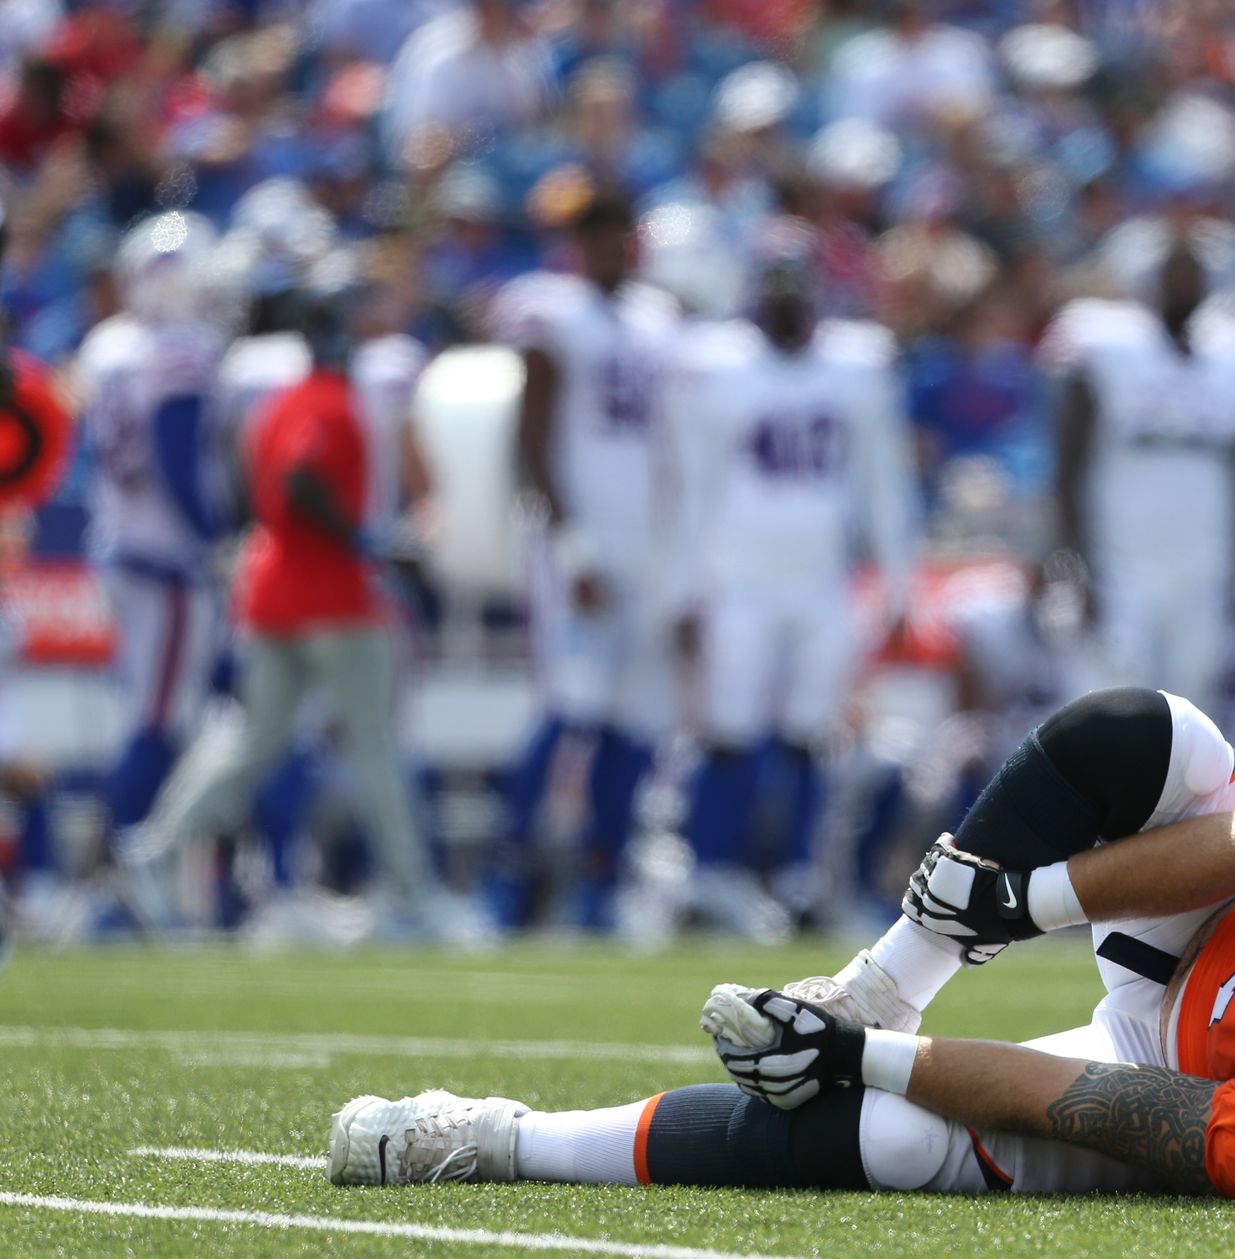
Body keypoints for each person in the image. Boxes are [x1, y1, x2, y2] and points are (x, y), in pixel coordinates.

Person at [327, 687, 1235, 1210]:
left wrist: (872, 1066)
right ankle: (886, 968)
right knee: (1155, 736)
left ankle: (499, 1137)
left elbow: (1089, 1097)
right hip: (1222, 905)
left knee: (893, 1143)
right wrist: (1022, 906)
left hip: (1165, 1047)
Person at [120, 273, 467, 938]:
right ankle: (410, 889)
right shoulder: (329, 403)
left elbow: (258, 487)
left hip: (272, 590)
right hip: (333, 593)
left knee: (253, 740)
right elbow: (303, 477)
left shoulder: (275, 403)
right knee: (376, 744)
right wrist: (362, 538)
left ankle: (157, 849)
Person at [674, 223, 915, 928]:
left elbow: (883, 481)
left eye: (796, 290)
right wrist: (689, 584)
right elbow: (694, 486)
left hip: (820, 578)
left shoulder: (856, 364)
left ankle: (801, 877)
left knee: (813, 729)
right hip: (737, 576)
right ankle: (709, 873)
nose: (785, 304)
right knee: (729, 727)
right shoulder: (717, 364)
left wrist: (898, 581)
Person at [482, 190, 685, 935]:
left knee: (635, 717)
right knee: (571, 706)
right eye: (595, 234)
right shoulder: (551, 310)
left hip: (646, 542)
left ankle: (604, 878)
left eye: (619, 233)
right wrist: (571, 545)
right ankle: (509, 876)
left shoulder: (657, 318)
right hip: (579, 541)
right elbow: (531, 435)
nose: (610, 248)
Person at [1045, 234, 1235, 714]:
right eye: (1172, 272)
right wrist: (1073, 563)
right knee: (1113, 706)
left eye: (1193, 273)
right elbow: (1069, 463)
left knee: (1195, 709)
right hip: (1123, 559)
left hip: (1207, 560)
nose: (1183, 283)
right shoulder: (1106, 348)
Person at [74, 211, 227, 925]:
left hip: (119, 547)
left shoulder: (109, 347)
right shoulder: (179, 352)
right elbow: (174, 457)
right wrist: (211, 538)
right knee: (159, 723)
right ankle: (120, 881)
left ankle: (132, 875)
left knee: (152, 716)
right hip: (165, 559)